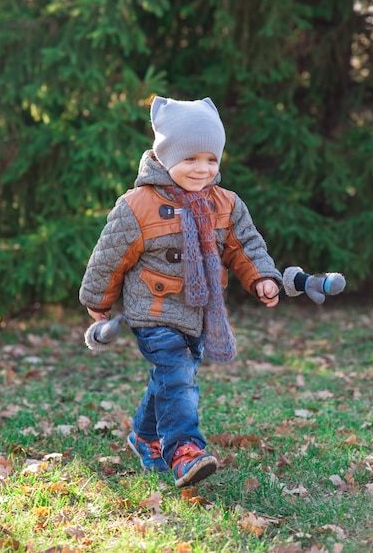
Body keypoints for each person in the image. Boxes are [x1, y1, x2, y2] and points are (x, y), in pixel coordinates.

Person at [79, 96, 282, 488]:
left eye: (210, 159)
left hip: (200, 312)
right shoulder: (138, 205)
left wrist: (262, 277)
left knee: (168, 379)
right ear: (164, 155)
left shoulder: (225, 204)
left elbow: (245, 246)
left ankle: (143, 436)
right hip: (152, 311)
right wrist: (97, 301)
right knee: (178, 375)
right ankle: (185, 451)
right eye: (190, 159)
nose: (201, 169)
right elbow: (109, 256)